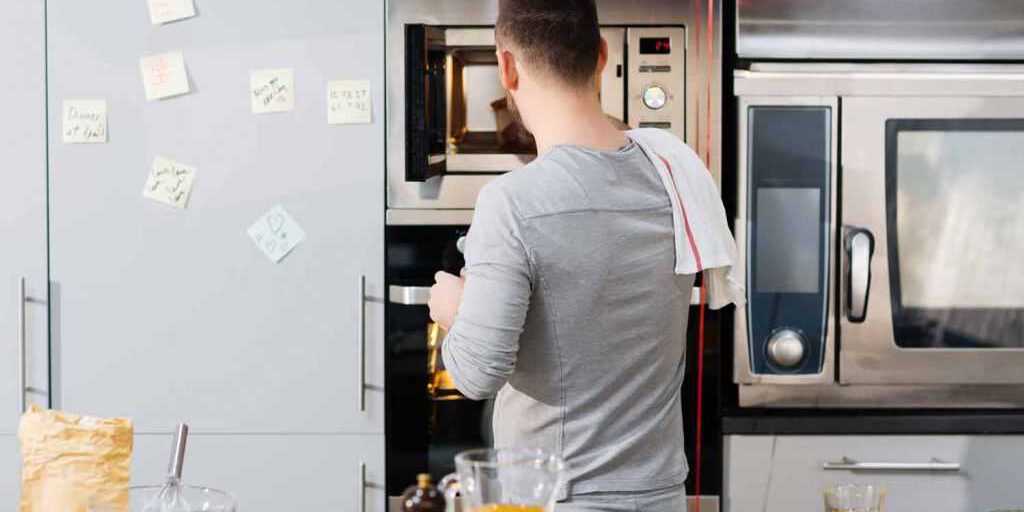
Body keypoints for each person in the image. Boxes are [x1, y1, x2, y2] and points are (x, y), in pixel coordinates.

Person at [428, 0, 739, 510]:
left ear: (506, 67)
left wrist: (453, 311)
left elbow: (476, 375)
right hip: (662, 494)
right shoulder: (673, 173)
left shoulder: (512, 202)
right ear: (601, 54)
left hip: (562, 497)